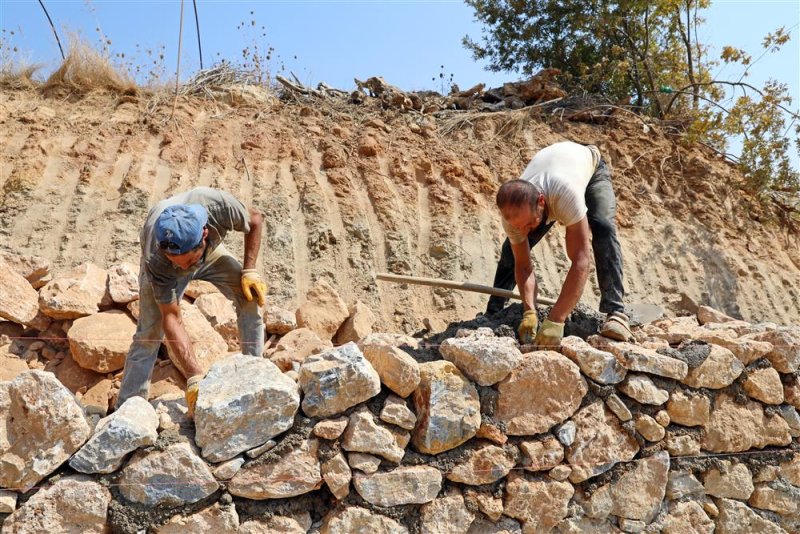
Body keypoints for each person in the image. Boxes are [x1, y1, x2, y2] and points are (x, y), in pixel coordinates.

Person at [115, 187, 267, 416]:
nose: (183, 269)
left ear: (204, 234)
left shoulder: (220, 207)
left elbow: (255, 220)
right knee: (149, 332)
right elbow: (171, 317)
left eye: (187, 262)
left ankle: (255, 373)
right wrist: (194, 377)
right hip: (165, 272)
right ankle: (128, 410)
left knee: (249, 296)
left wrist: (249, 270)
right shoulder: (158, 260)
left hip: (208, 256)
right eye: (177, 261)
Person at [486, 141, 632, 346]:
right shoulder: (513, 217)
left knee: (603, 226)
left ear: (541, 203)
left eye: (529, 224)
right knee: (510, 251)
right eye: (519, 227)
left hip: (590, 169)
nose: (524, 231)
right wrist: (529, 311)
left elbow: (581, 261)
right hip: (553, 167)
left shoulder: (565, 195)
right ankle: (493, 312)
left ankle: (616, 312)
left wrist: (556, 319)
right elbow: (523, 264)